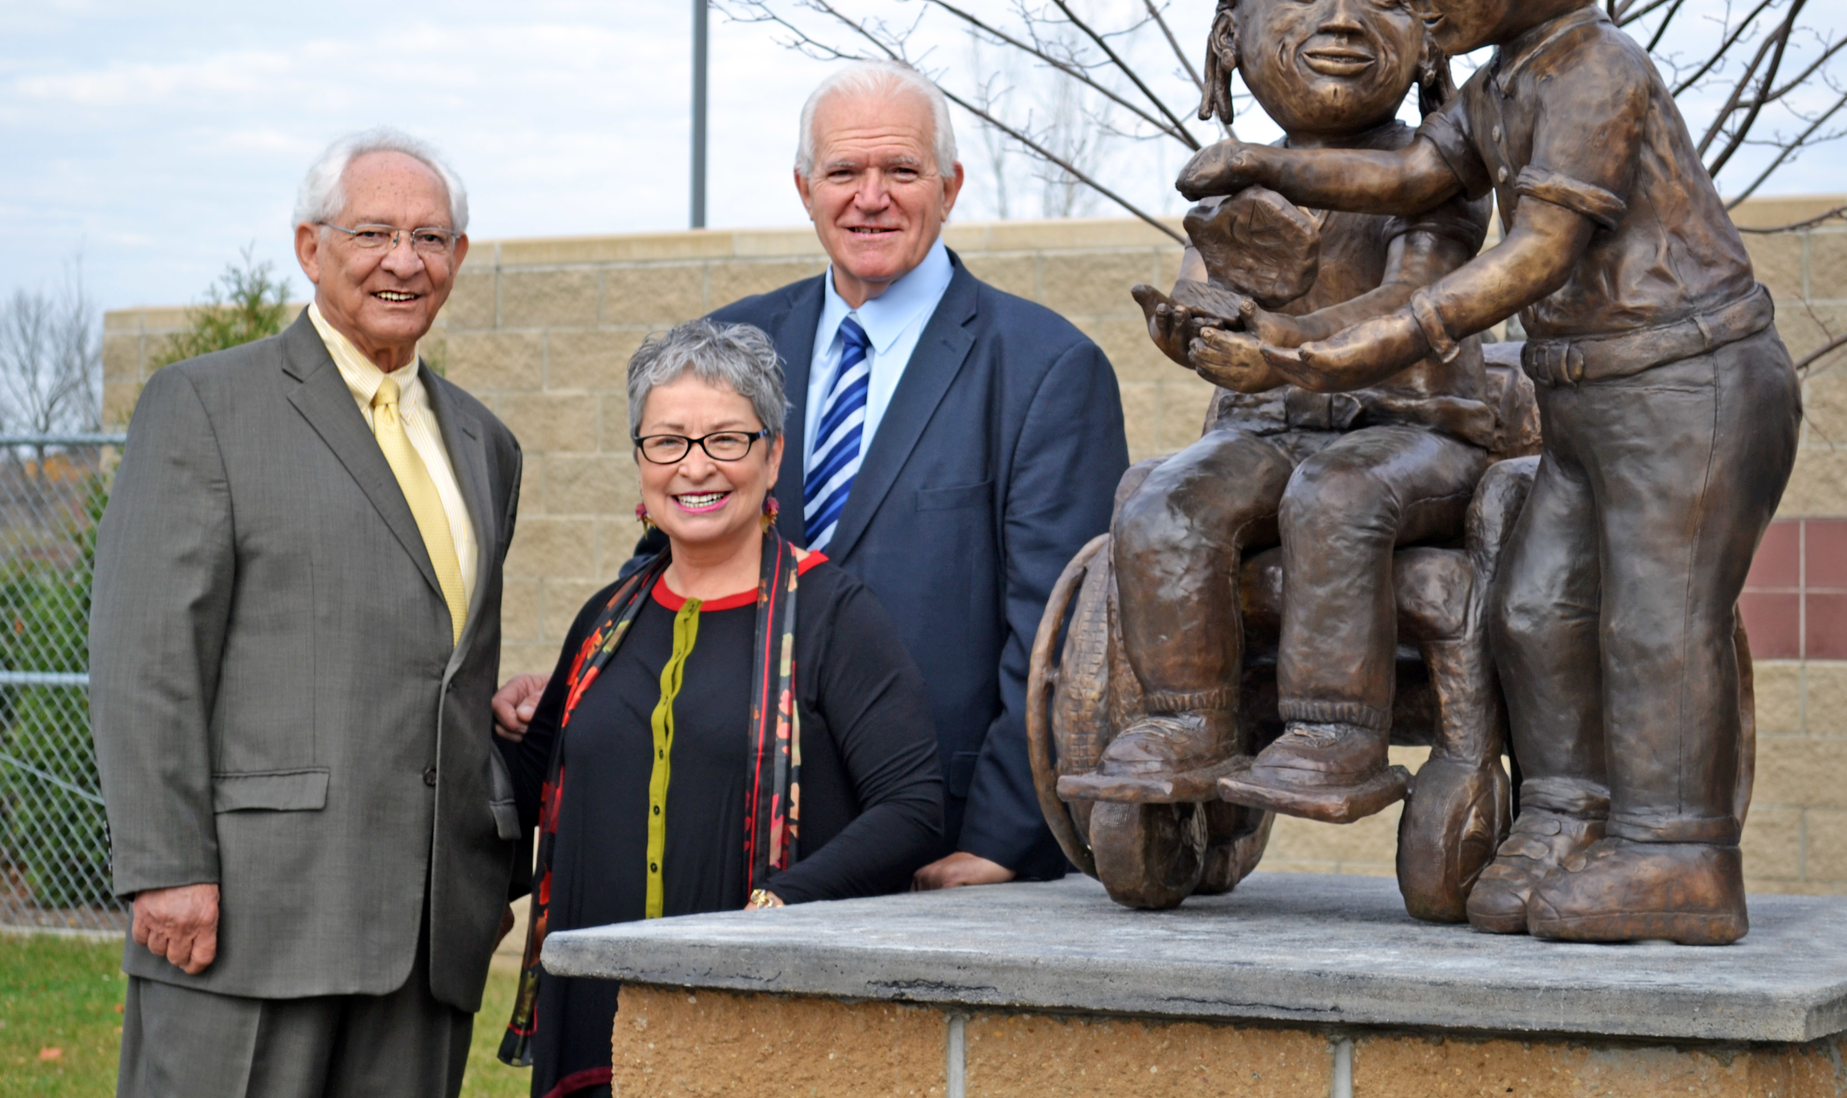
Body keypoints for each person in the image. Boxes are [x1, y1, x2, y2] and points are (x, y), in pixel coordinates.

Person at [1177, 0, 1799, 944]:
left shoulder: (1595, 74)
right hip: (1592, 396)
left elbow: (1531, 256)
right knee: (1534, 606)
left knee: (1652, 620)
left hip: (1692, 386)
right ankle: (1567, 815)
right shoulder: (1508, 78)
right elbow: (1419, 171)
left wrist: (1342, 343)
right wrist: (1273, 159)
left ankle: (1678, 854)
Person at [498, 61, 1129, 886]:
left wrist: (1004, 841)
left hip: (939, 845)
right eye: (844, 172)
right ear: (804, 188)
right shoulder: (733, 343)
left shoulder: (1047, 369)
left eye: (901, 170)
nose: (872, 196)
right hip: (727, 820)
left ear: (950, 185)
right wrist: (587, 685)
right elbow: (668, 554)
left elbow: (1064, 636)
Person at [90, 130, 524, 1097]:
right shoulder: (205, 406)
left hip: (425, 937)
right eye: (373, 231)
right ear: (308, 246)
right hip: (249, 917)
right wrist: (165, 866)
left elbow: (446, 662)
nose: (404, 260)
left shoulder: (485, 443)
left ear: (458, 255)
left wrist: (486, 849)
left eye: (432, 237)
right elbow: (144, 657)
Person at [1055, 0, 1493, 823]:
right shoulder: (1237, 176)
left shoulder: (1440, 173)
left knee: (1338, 494)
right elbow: (1209, 291)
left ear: (1427, 40)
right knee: (1166, 501)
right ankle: (1187, 722)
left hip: (1412, 436)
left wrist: (1279, 347)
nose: (1341, 20)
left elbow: (1407, 310)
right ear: (1233, 33)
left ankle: (1336, 731)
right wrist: (1192, 327)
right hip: (1266, 429)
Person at [491, 319, 944, 1098]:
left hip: (764, 1016)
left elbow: (912, 808)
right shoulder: (606, 620)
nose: (695, 467)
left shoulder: (835, 614)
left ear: (772, 455)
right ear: (640, 462)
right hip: (597, 1018)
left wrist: (780, 900)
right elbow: (527, 788)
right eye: (667, 441)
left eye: (726, 440)